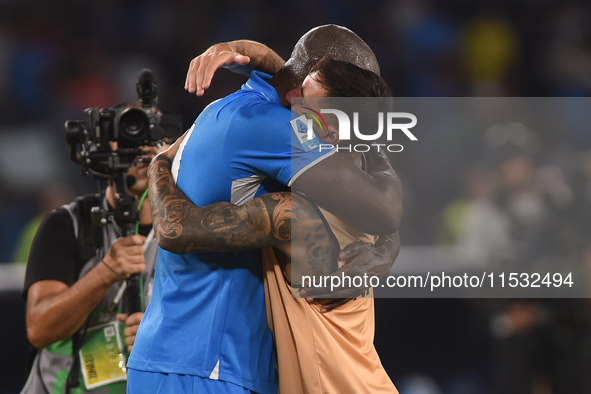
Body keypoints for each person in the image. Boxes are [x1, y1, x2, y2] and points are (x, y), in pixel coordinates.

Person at [127, 25, 402, 394]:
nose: (296, 98)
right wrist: (387, 247)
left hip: (201, 357)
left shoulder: (237, 113)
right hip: (208, 363)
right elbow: (383, 208)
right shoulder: (280, 129)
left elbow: (382, 212)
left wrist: (159, 162)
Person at [21, 144, 163, 394]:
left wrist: (163, 336)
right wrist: (105, 272)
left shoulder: (190, 230)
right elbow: (39, 329)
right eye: (131, 137)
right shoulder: (69, 223)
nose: (145, 149)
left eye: (155, 136)